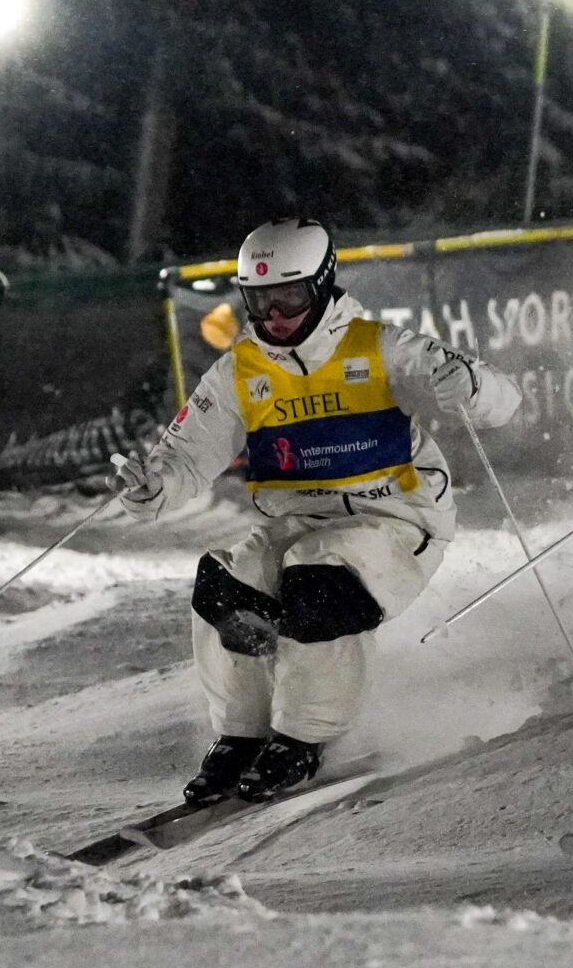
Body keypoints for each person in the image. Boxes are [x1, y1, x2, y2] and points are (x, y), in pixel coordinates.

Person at [115, 216, 524, 805]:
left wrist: (473, 386)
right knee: (227, 584)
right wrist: (153, 487)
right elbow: (184, 457)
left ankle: (306, 736)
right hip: (300, 520)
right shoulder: (241, 371)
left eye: (290, 296)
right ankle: (242, 734)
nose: (275, 315)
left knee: (318, 577)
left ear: (323, 283)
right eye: (260, 300)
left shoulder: (379, 347)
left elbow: (502, 403)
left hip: (396, 518)